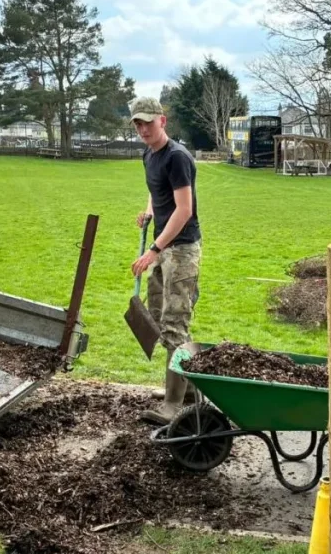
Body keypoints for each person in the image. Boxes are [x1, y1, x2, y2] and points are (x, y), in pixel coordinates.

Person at [128, 97, 202, 425]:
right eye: (138, 123)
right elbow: (157, 190)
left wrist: (154, 250)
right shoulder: (149, 154)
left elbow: (184, 210)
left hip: (181, 250)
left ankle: (174, 404)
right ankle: (188, 389)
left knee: (175, 323)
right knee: (159, 316)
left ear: (163, 120)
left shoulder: (177, 157)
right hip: (162, 247)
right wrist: (149, 211)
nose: (143, 128)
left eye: (148, 122)